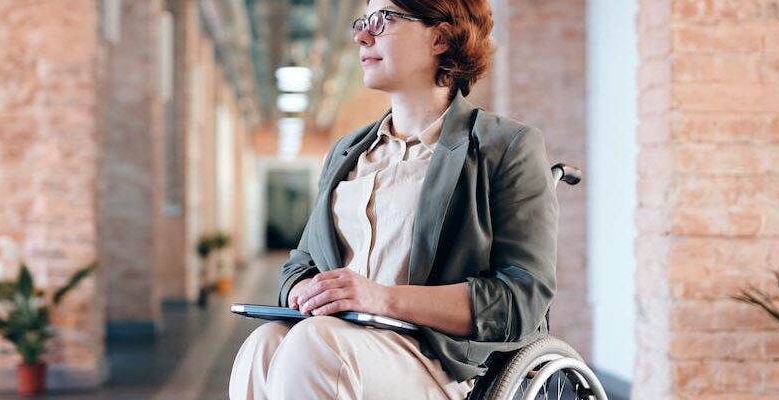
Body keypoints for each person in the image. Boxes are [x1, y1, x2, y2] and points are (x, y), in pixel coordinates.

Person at [230, 0, 558, 398]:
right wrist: (303, 289)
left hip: (439, 363)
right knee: (262, 344)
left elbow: (520, 299)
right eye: (362, 22)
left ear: (440, 36)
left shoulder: (504, 146)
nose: (361, 35)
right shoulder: (347, 152)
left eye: (382, 20)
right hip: (338, 343)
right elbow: (302, 264)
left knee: (314, 344)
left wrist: (382, 299)